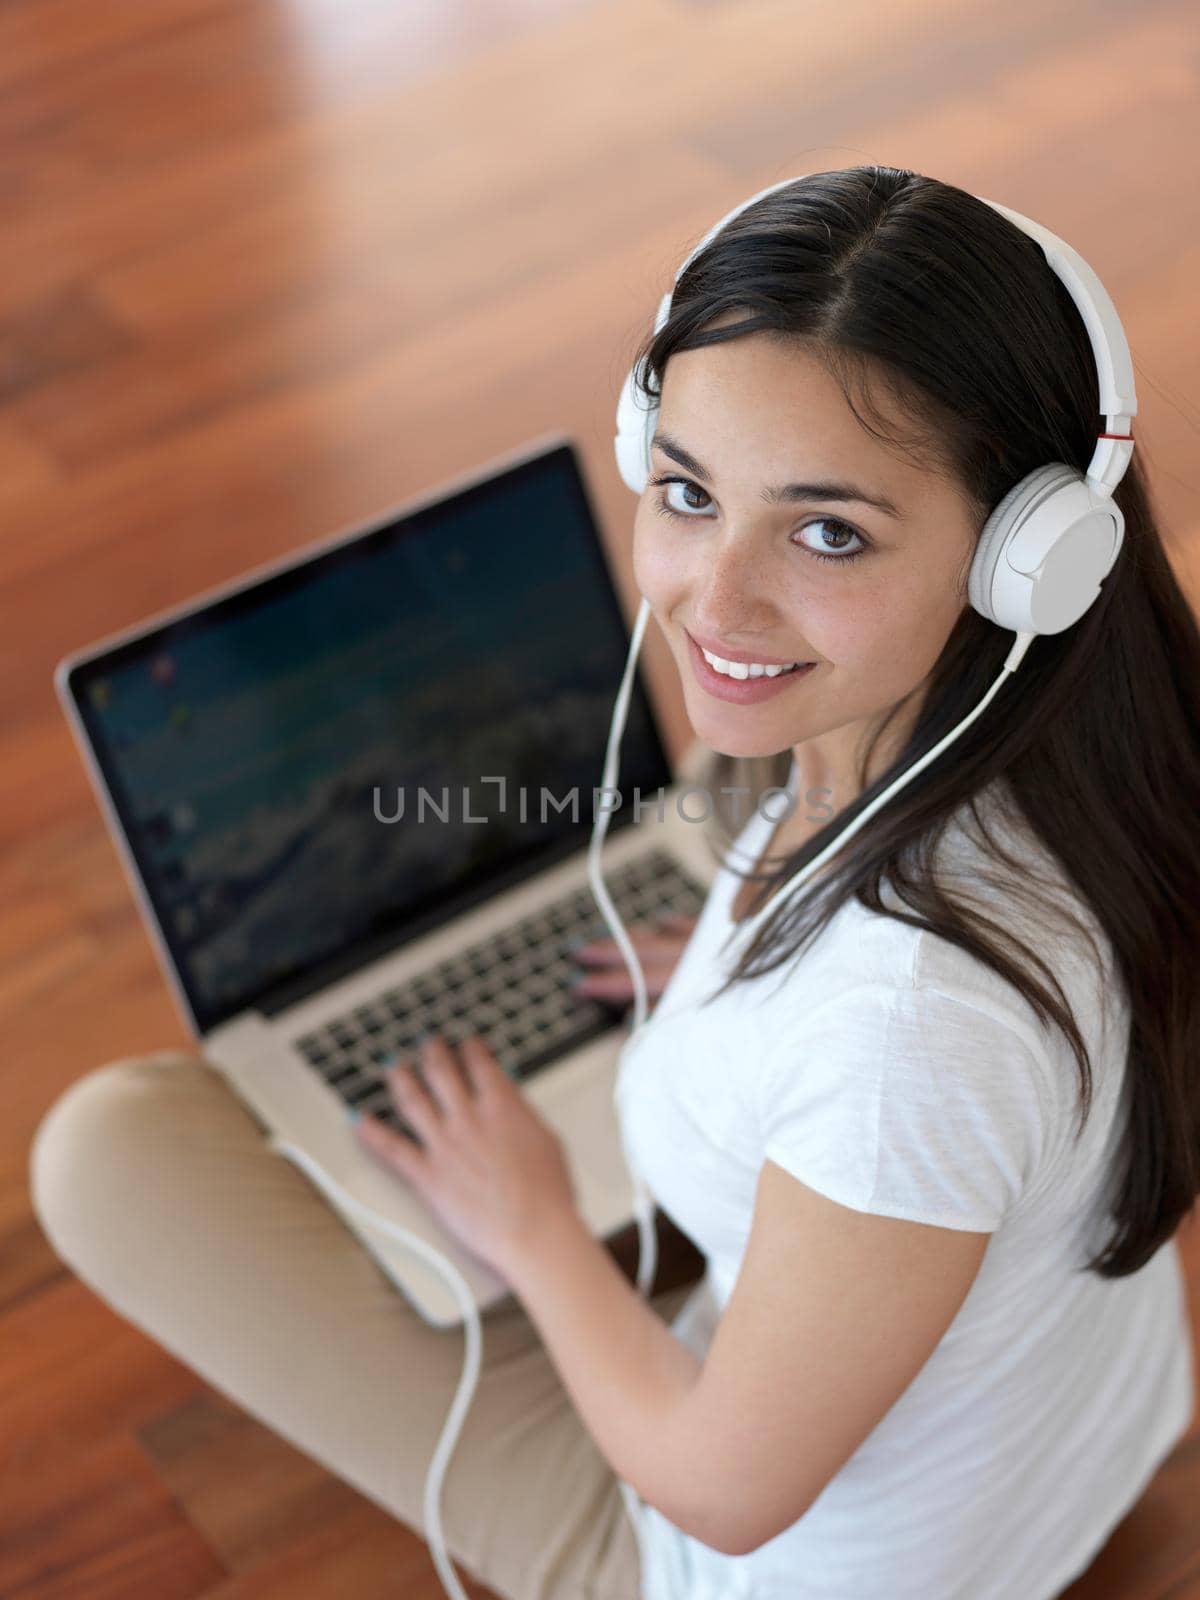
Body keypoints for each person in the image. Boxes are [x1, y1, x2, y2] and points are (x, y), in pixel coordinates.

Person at [29, 164, 1200, 1600]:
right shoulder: (1085, 755)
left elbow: (726, 1490)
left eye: (829, 530)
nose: (714, 600)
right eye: (691, 492)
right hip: (1069, 1445)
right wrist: (732, 986)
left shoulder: (907, 1042)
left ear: (1032, 559)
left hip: (756, 1561)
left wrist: (531, 1228)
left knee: (110, 1153)